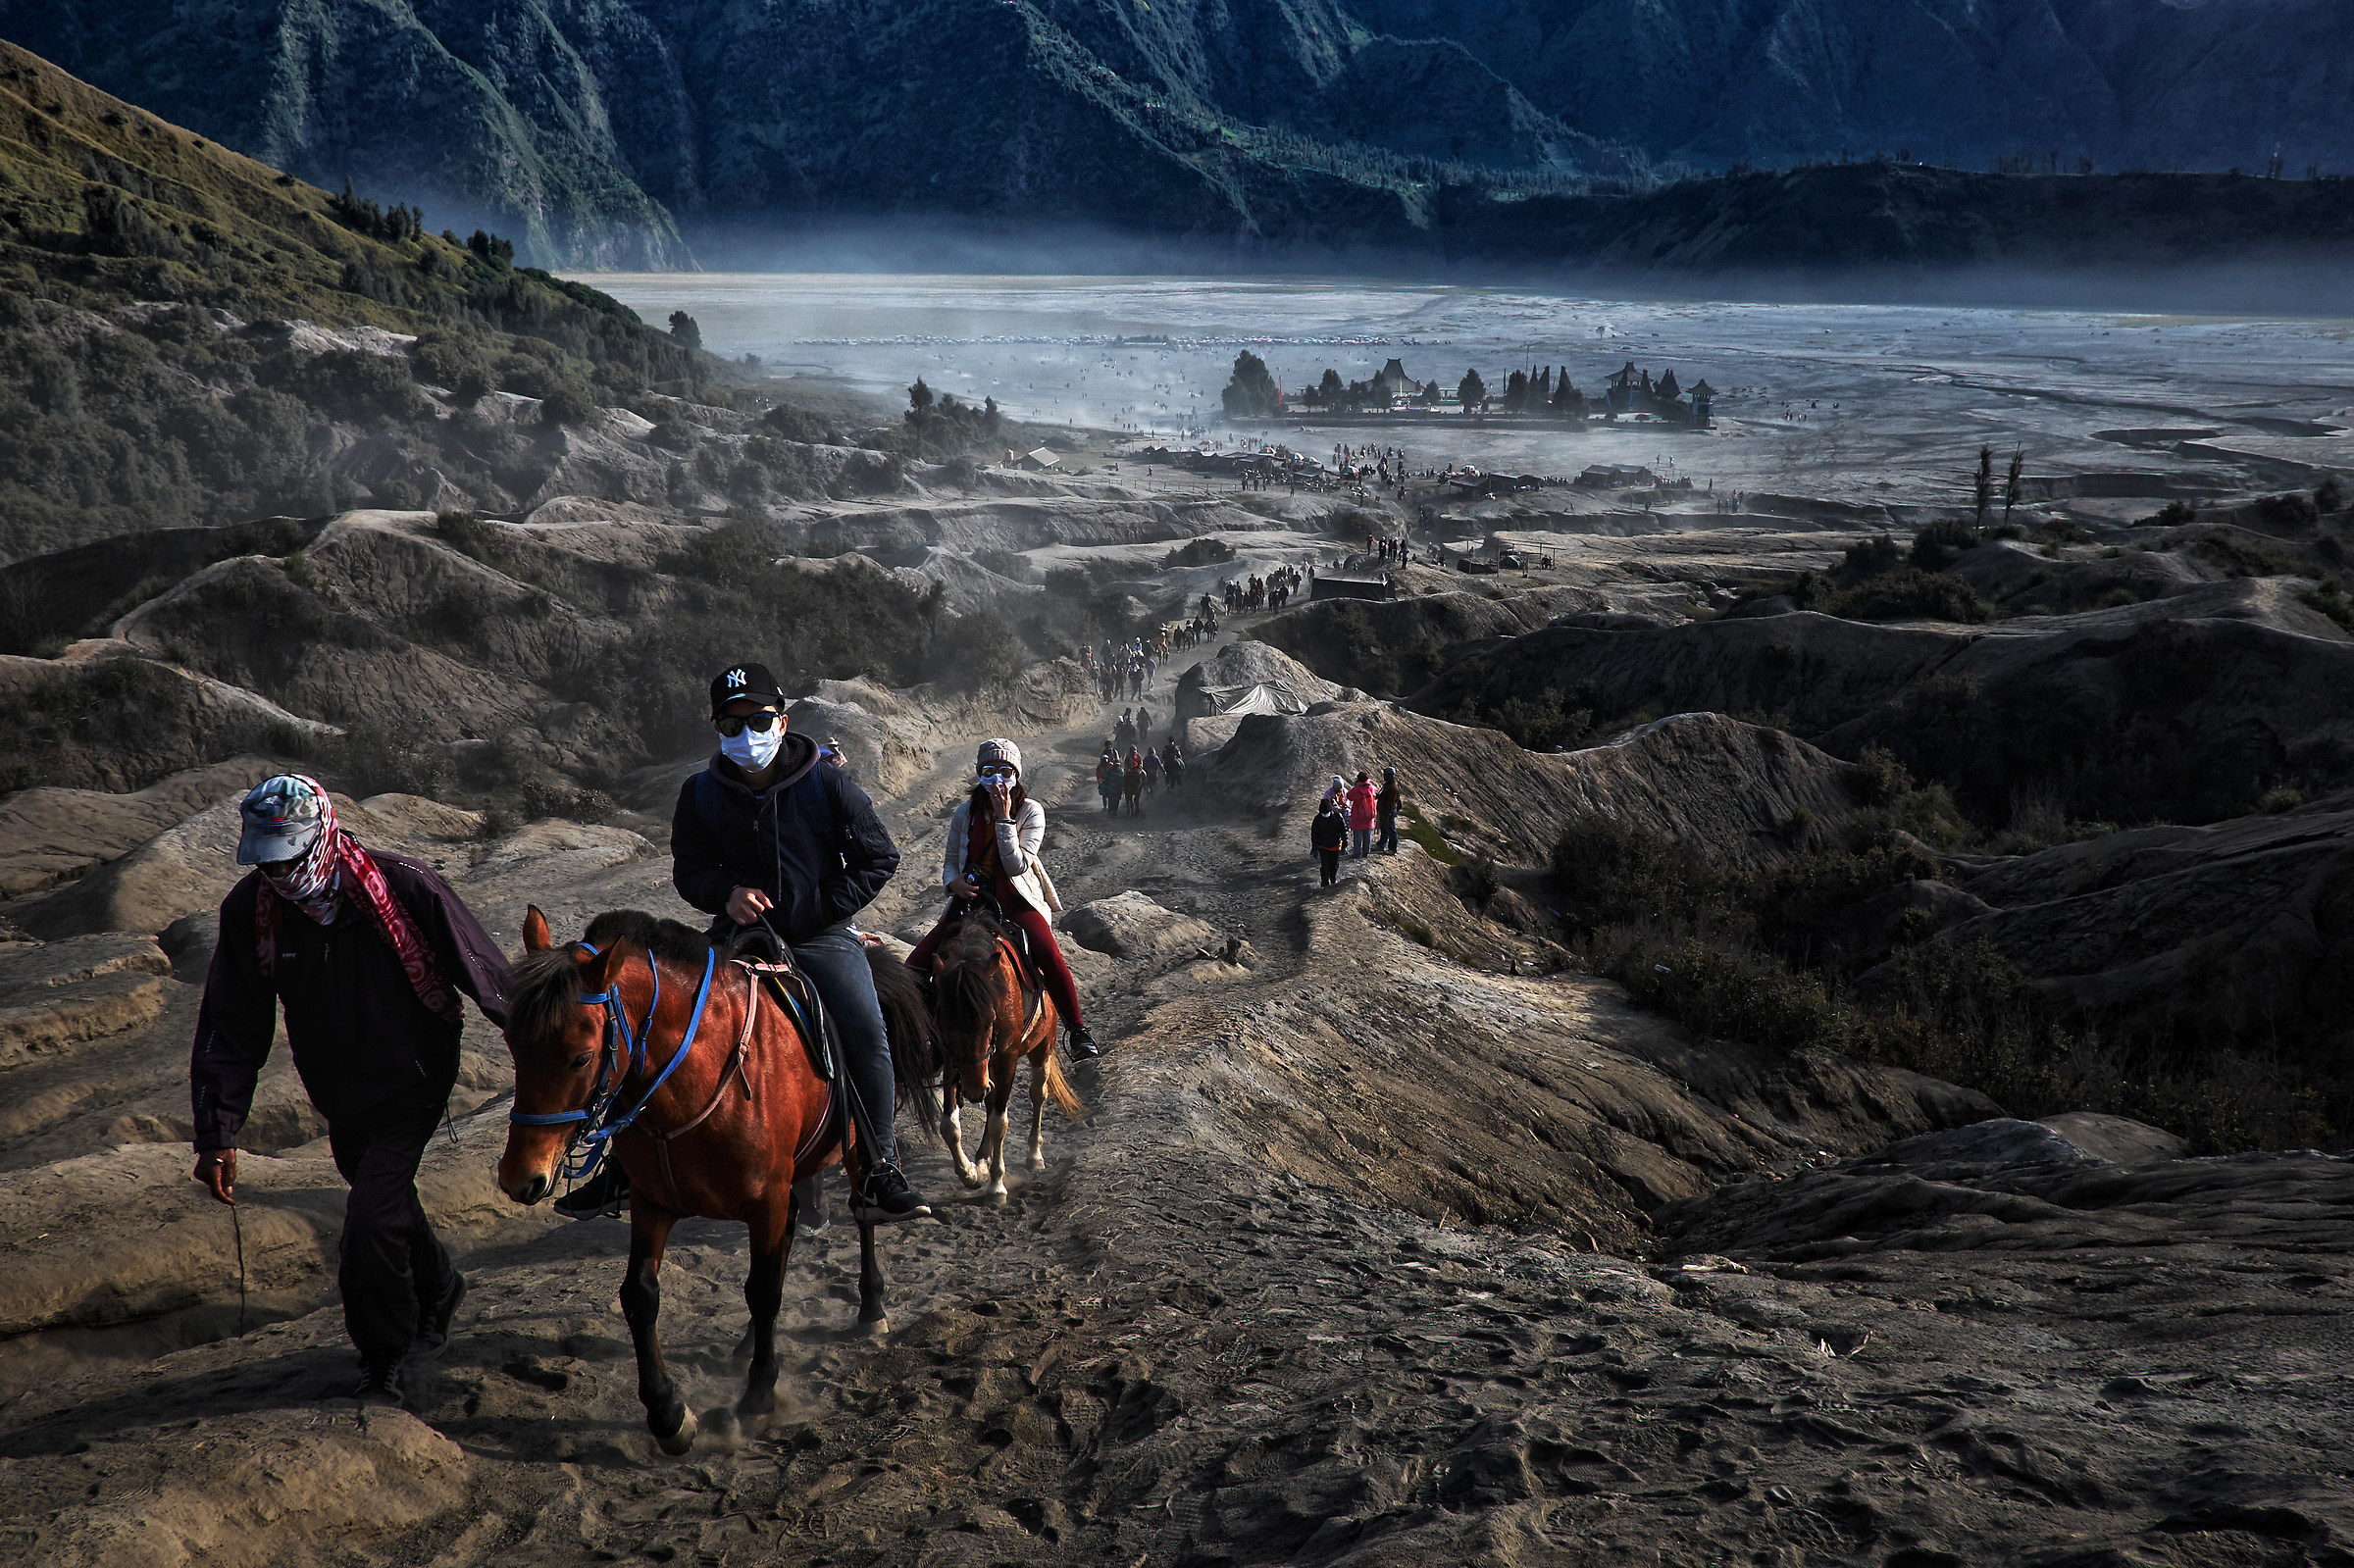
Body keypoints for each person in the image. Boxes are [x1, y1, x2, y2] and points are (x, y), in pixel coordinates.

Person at [189, 775, 512, 1405]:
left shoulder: (403, 887)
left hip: (415, 1075)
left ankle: (385, 1357)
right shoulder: (252, 914)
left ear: (321, 840)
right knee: (382, 1204)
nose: (278, 877)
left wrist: (547, 1055)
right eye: (266, 864)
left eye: (287, 860)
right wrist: (216, 1131)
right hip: (338, 1090)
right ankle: (441, 1284)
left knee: (367, 1221)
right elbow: (232, 1024)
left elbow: (486, 973)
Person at [648, 660, 927, 1226]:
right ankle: (632, 1172)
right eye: (730, 725)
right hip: (736, 934)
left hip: (820, 936)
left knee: (866, 1034)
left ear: (783, 718)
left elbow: (879, 857)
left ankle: (880, 1169)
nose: (745, 735)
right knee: (660, 1022)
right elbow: (689, 871)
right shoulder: (699, 794)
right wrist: (725, 894)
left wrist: (819, 908)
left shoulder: (826, 782)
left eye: (758, 720)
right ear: (716, 727)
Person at [905, 740, 1100, 1061]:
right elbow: (951, 858)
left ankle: (1077, 1029)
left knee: (1047, 951)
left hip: (1016, 900)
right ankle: (932, 1035)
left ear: (1017, 774)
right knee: (917, 964)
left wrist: (1004, 818)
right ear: (979, 773)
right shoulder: (963, 813)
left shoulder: (1031, 811)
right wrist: (952, 883)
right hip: (972, 900)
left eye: (1005, 771)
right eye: (989, 770)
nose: (997, 778)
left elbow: (1017, 865)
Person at [1311, 791, 1348, 886]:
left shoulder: (1338, 817)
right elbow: (1314, 835)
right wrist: (1315, 849)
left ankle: (1333, 880)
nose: (1325, 815)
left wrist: (1344, 845)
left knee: (1334, 866)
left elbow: (1343, 831)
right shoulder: (1317, 819)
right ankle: (1324, 884)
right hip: (1323, 846)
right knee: (1324, 867)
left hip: (1335, 846)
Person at [1346, 770, 1377, 858]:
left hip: (1358, 816)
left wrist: (1356, 786)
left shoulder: (1357, 790)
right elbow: (1376, 793)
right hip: (1369, 815)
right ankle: (1366, 852)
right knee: (1367, 835)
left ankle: (1357, 853)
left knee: (1358, 836)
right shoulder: (1372, 788)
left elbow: (1349, 796)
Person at [1375, 766, 1402, 854]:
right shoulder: (1388, 785)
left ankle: (1392, 849)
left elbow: (1391, 804)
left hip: (1388, 812)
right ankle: (1381, 844)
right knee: (1384, 828)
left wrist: (1388, 814)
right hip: (1386, 811)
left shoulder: (1392, 788)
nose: (1384, 776)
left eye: (1386, 775)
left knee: (1391, 830)